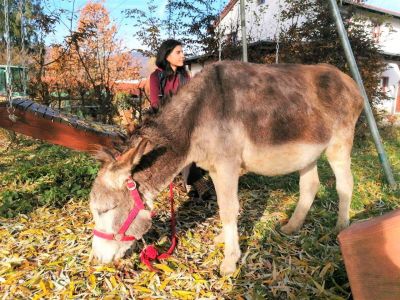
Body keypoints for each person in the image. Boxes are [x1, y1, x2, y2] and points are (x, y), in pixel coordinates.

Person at [149, 39, 215, 200]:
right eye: (178, 52)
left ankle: (189, 183)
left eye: (182, 52)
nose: (182, 56)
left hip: (186, 121)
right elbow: (156, 105)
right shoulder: (156, 77)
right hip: (165, 123)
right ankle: (197, 181)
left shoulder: (184, 75)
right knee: (183, 144)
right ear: (166, 55)